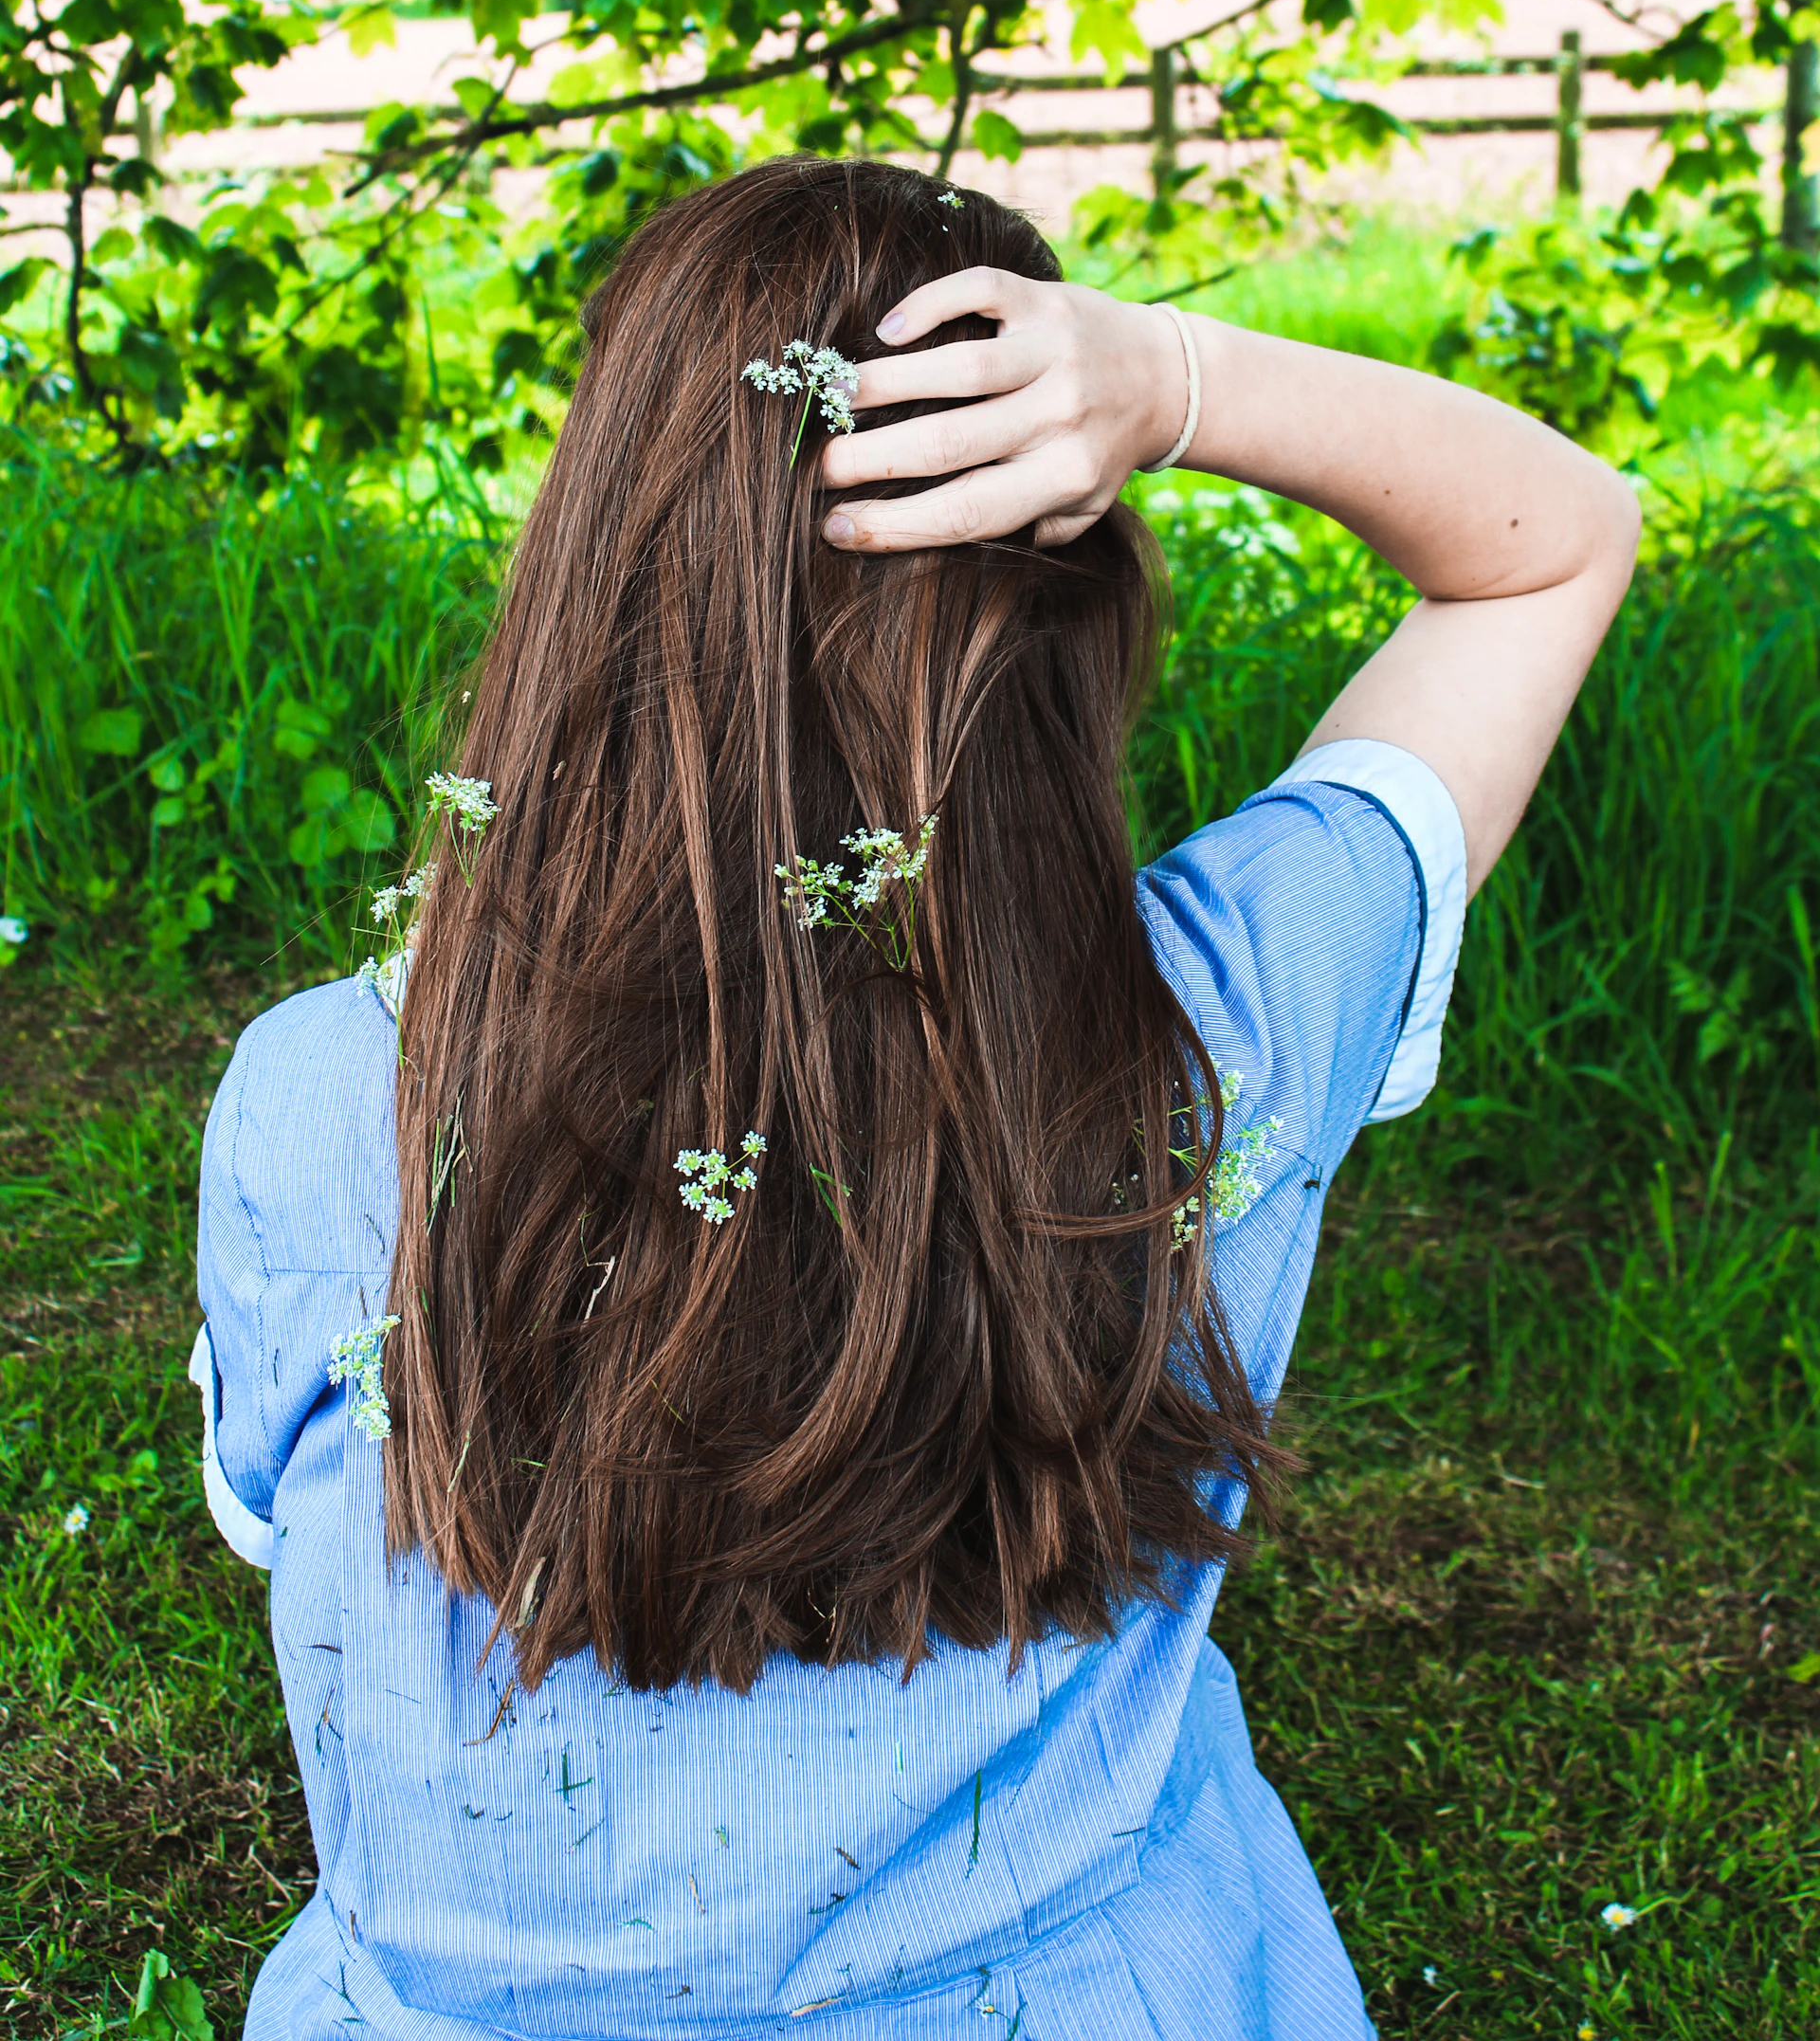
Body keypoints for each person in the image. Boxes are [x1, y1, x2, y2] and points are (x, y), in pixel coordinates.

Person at [191, 156, 1639, 2041]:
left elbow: (287, 1529)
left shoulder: (334, 1101)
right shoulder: (1214, 1036)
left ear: (594, 565)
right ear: (1065, 605)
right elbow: (1555, 538)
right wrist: (1179, 382)